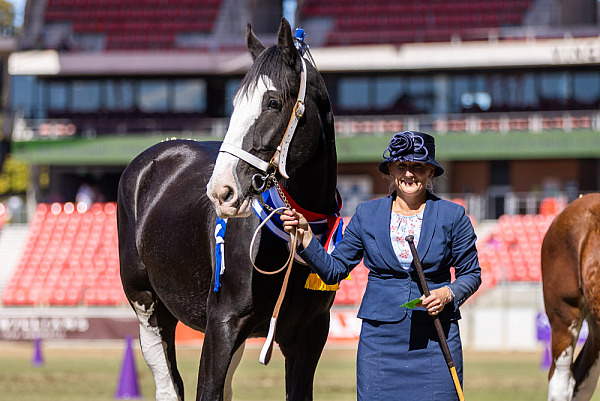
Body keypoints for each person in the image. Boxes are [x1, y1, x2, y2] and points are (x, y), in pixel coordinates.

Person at [281, 131, 481, 400]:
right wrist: (306, 238)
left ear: (431, 172)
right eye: (402, 165)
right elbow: (333, 271)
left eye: (418, 167)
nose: (409, 174)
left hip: (436, 338)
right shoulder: (366, 214)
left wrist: (447, 293)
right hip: (380, 346)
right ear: (390, 169)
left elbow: (471, 274)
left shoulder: (453, 215)